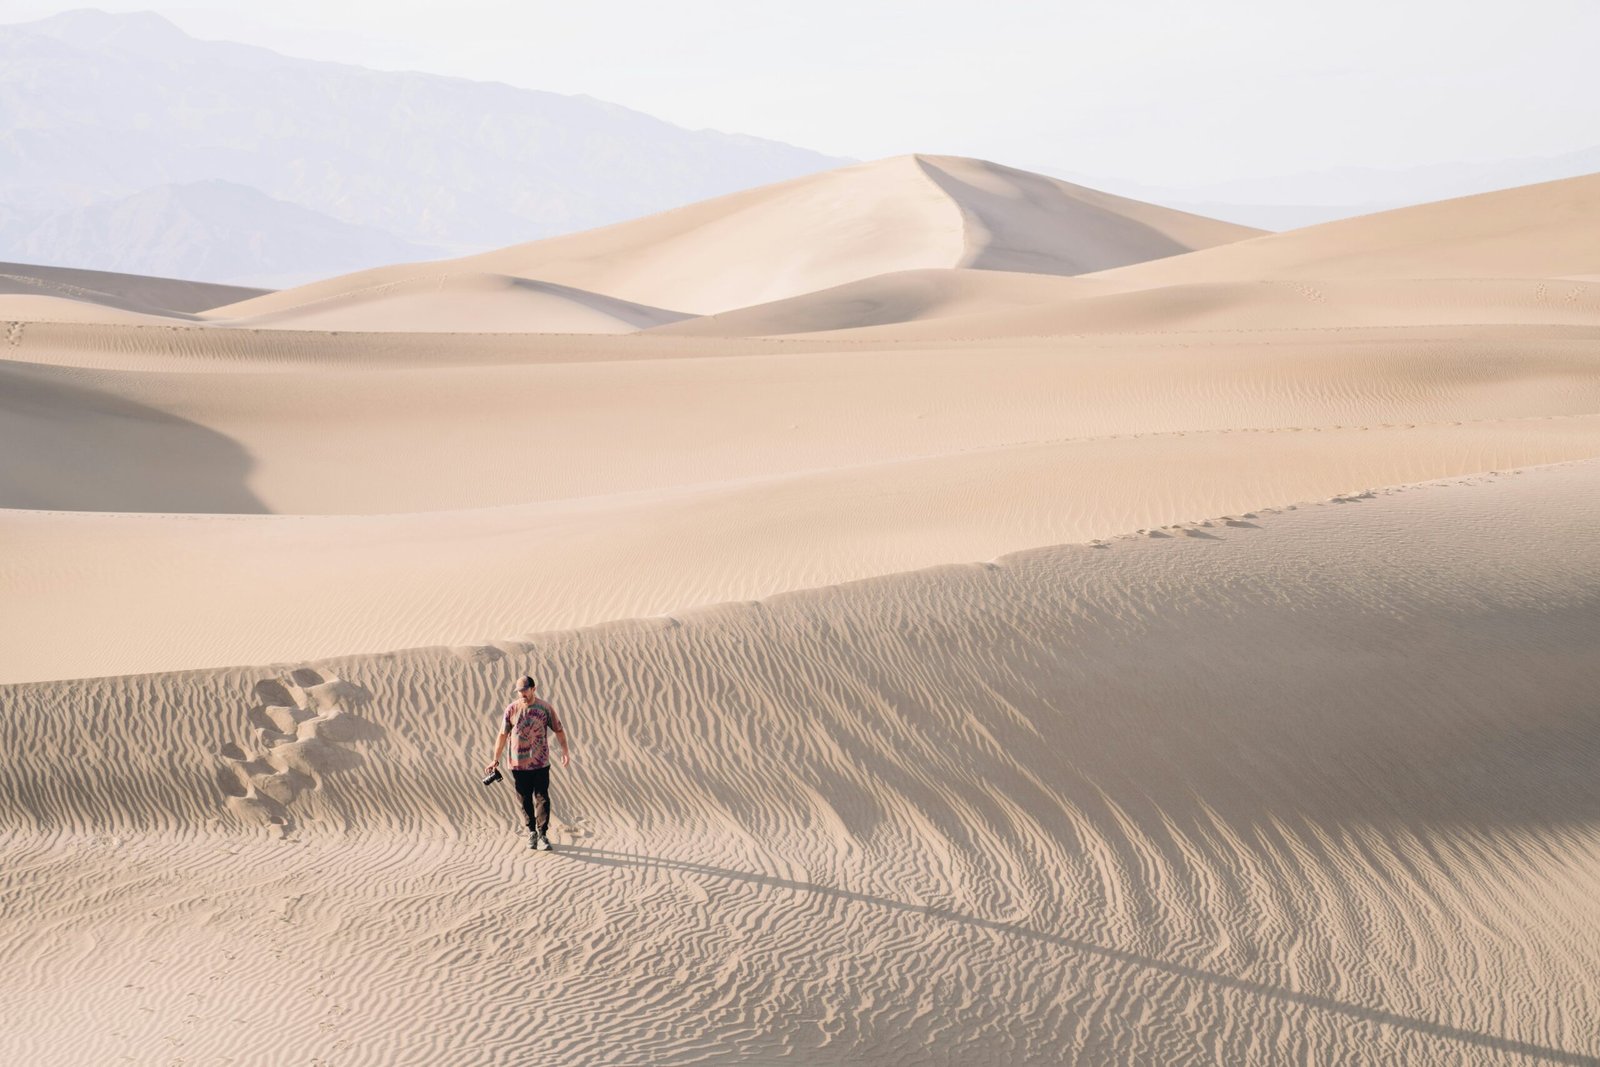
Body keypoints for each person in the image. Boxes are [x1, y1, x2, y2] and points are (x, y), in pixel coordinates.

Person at [486, 675, 571, 851]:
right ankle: (531, 831)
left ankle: (543, 833)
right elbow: (502, 735)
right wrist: (495, 759)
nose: (522, 694)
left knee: (542, 798)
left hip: (541, 763)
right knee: (524, 799)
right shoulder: (512, 709)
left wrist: (565, 751)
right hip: (518, 764)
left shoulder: (545, 708)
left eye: (525, 690)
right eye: (519, 691)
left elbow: (559, 730)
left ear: (533, 688)